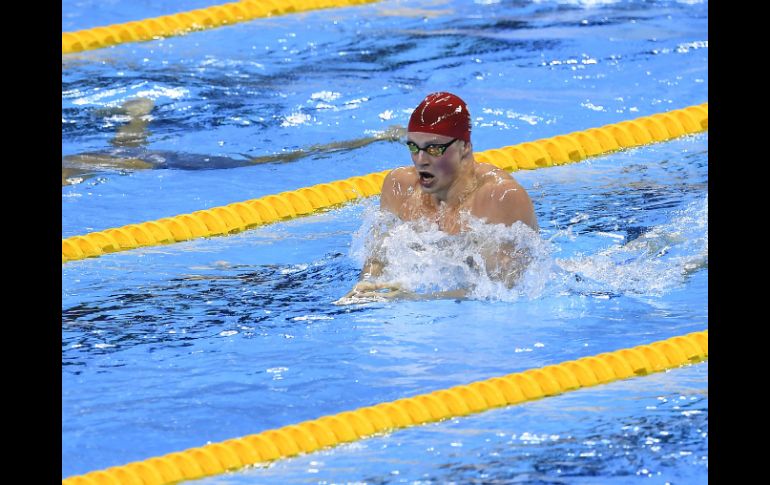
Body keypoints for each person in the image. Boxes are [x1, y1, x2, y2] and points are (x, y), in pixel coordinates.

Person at [337, 92, 539, 304]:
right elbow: (378, 257)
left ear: (465, 147)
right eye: (414, 147)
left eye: (434, 148)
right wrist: (366, 284)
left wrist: (416, 298)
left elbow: (504, 288)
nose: (420, 160)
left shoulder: (499, 198)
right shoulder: (399, 187)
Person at [62, 97, 406, 186]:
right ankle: (137, 113)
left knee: (267, 162)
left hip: (161, 163)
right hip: (120, 156)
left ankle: (373, 138)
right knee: (124, 150)